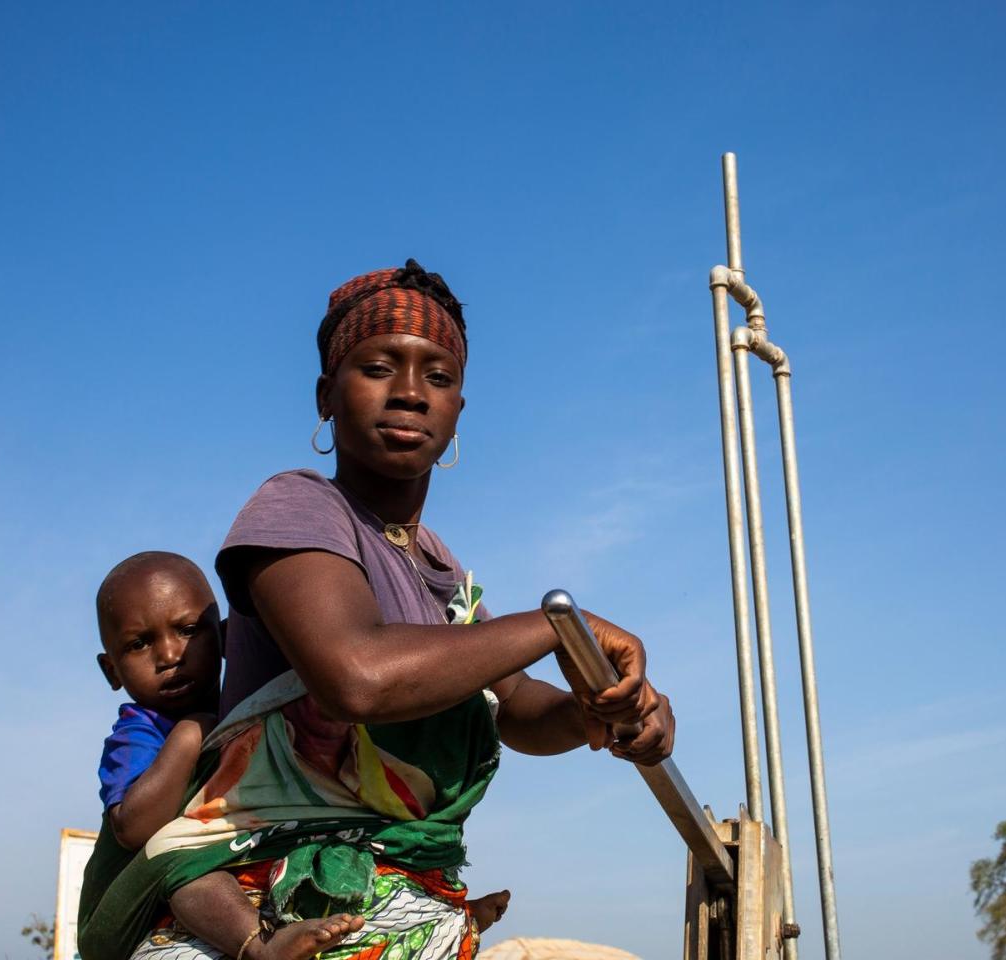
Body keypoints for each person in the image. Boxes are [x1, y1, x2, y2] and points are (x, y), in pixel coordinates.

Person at [77, 260, 673, 960]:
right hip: (271, 911)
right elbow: (358, 676)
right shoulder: (297, 510)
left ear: (458, 411)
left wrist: (603, 709)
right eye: (379, 368)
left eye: (439, 377)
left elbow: (514, 706)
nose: (412, 394)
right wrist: (553, 626)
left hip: (400, 911)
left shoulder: (443, 574)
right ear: (327, 395)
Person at [88, 551, 365, 960]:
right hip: (123, 907)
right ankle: (260, 945)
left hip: (221, 861)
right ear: (112, 671)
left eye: (186, 630)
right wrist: (187, 737)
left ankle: (440, 897)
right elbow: (134, 829)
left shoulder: (242, 712)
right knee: (191, 870)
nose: (169, 655)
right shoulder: (140, 733)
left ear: (223, 638)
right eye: (139, 643)